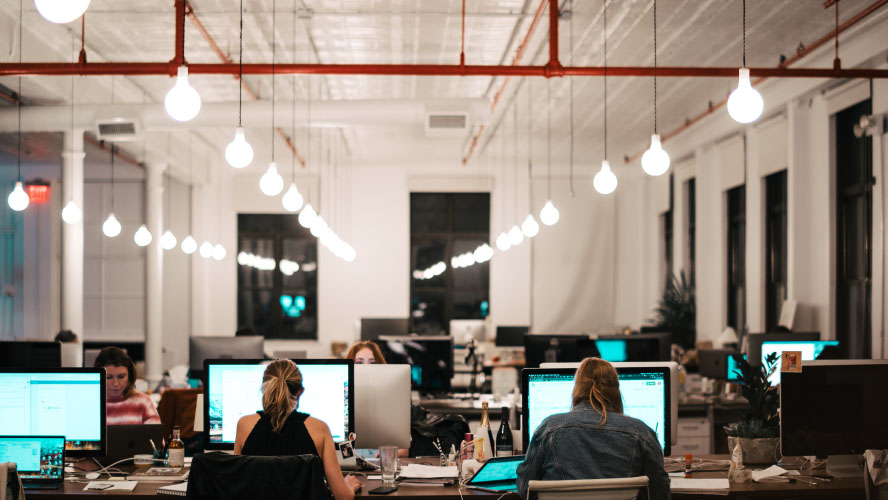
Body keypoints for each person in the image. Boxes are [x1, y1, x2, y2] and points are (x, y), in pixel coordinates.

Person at [516, 357, 669, 499]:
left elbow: (525, 489)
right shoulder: (642, 433)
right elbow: (660, 493)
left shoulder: (548, 429)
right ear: (616, 390)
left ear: (577, 389)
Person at [234, 359, 362, 500]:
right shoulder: (319, 429)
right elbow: (343, 496)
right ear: (300, 391)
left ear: (265, 389)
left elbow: (236, 486)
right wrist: (349, 486)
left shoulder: (244, 425)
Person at [94, 347, 161, 425]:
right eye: (108, 377)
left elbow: (155, 436)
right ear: (97, 376)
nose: (115, 383)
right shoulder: (87, 403)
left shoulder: (143, 402)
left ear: (130, 376)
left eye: (121, 376)